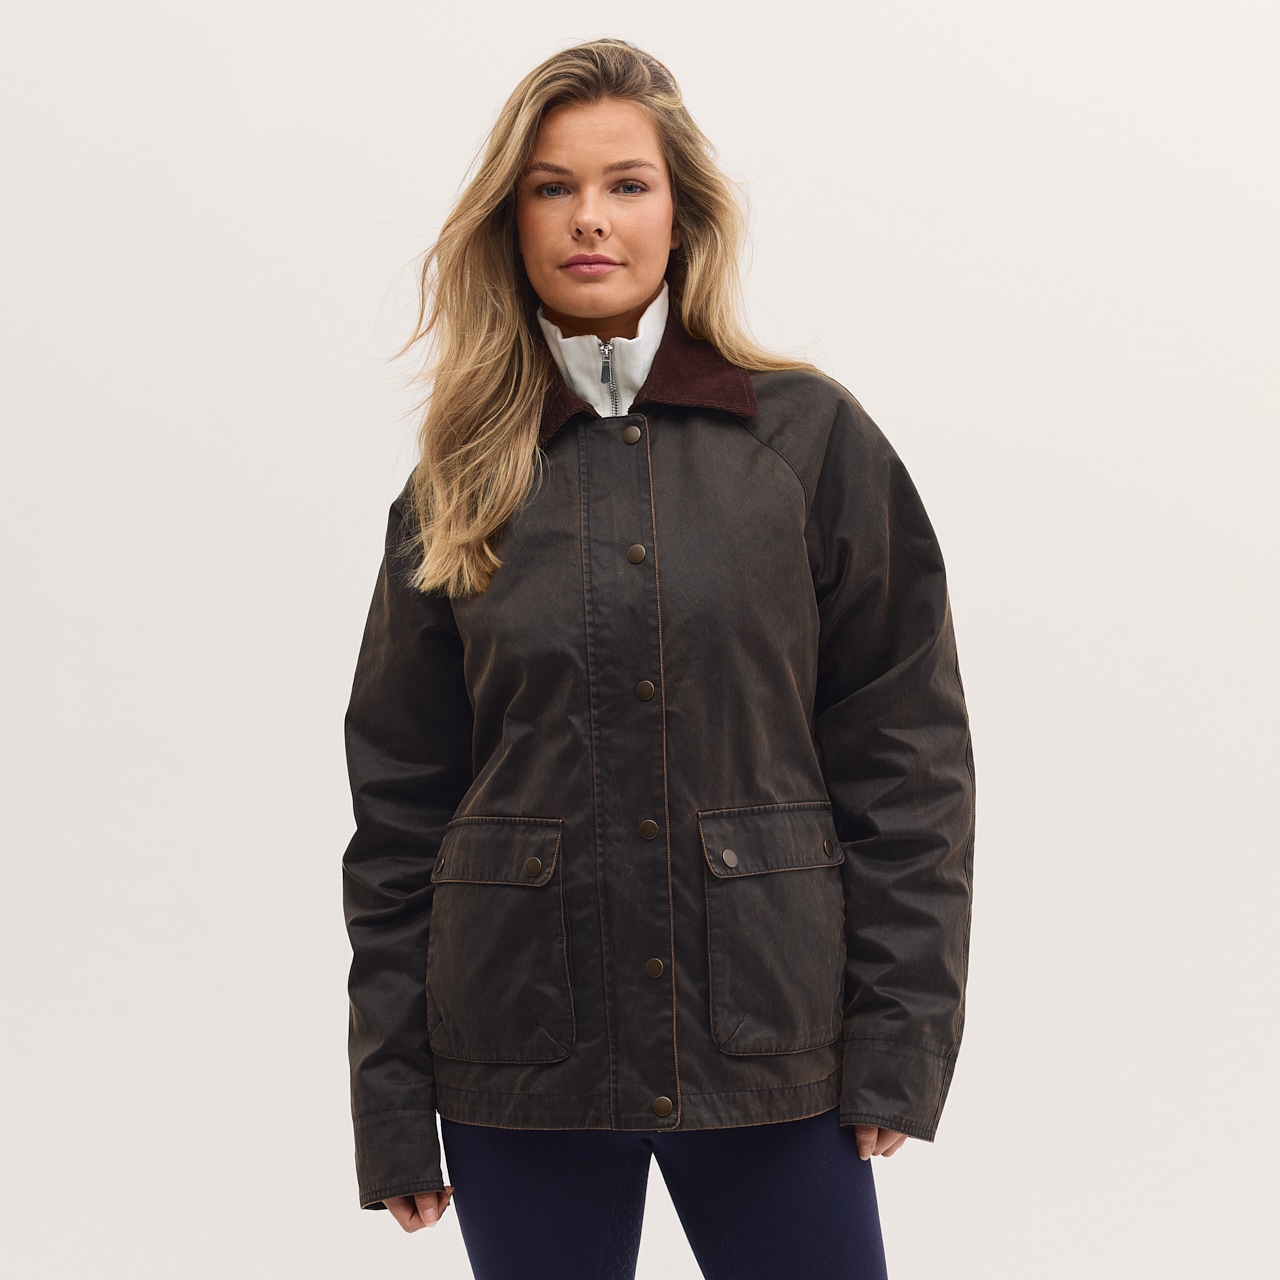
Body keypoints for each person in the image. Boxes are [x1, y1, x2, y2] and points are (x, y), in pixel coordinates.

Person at [341, 38, 975, 1280]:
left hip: (770, 1042)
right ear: (510, 220)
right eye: (551, 187)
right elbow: (400, 811)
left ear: (680, 212)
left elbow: (906, 761)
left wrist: (898, 1036)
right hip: (520, 1053)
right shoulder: (456, 482)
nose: (589, 217)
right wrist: (390, 1098)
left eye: (625, 183)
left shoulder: (809, 442)